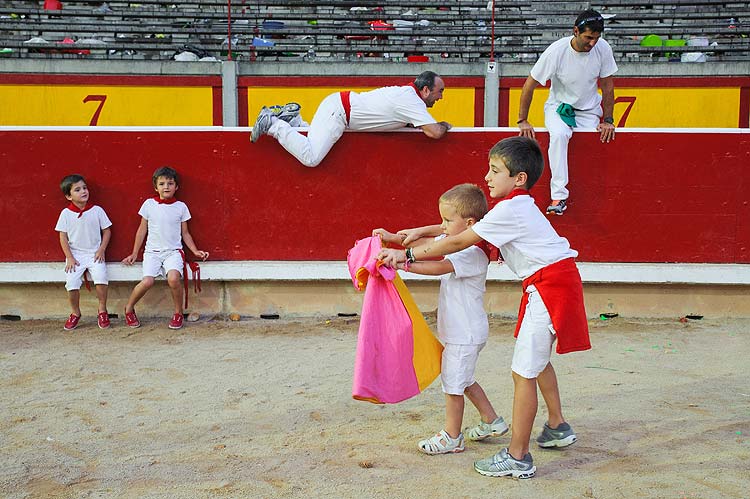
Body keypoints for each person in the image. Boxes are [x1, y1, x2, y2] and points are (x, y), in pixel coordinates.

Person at [378, 136, 590, 479]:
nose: (487, 177)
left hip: (548, 286)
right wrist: (418, 232)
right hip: (553, 283)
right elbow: (466, 223)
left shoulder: (511, 209)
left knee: (523, 372)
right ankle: (556, 425)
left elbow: (461, 237)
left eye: (495, 171)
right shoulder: (515, 207)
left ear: (518, 178)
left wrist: (406, 255)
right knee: (536, 363)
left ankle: (518, 456)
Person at [373, 184, 508, 455]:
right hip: (463, 330)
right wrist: (392, 238)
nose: (442, 226)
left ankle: (452, 436)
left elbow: (437, 266)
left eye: (447, 220)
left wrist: (402, 264)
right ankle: (492, 421)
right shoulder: (463, 244)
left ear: (469, 223)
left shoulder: (471, 252)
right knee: (464, 379)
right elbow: (428, 244)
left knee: (453, 383)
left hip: (464, 333)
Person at [517, 9, 617, 215]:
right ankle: (559, 196)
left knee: (591, 143)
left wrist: (608, 119)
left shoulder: (603, 48)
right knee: (560, 135)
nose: (592, 43)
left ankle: (591, 198)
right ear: (575, 31)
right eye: (589, 37)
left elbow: (607, 85)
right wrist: (522, 120)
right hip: (559, 107)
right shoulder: (556, 51)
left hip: (589, 110)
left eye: (596, 38)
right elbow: (529, 84)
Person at [250, 71, 452, 167]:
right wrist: (444, 125)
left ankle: (294, 122)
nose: (441, 97)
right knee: (311, 158)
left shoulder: (407, 96)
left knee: (315, 142)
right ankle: (272, 123)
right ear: (425, 90)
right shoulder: (412, 101)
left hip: (339, 108)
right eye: (439, 91)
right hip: (339, 113)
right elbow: (434, 132)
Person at [122, 166, 209, 330]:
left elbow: (186, 233)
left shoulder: (181, 207)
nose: (166, 187)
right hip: (152, 252)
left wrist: (195, 251)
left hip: (173, 252)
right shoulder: (149, 204)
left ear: (176, 187)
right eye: (162, 184)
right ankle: (128, 308)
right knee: (147, 281)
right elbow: (142, 230)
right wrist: (134, 253)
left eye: (170, 183)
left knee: (174, 278)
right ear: (156, 187)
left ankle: (177, 313)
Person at [55, 174, 112, 331]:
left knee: (101, 278)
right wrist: (70, 258)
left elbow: (107, 231)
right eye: (77, 190)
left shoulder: (97, 210)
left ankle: (102, 310)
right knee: (72, 283)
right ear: (68, 196)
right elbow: (63, 237)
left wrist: (101, 249)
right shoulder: (65, 214)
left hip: (95, 253)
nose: (83, 192)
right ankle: (75, 312)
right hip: (75, 256)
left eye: (85, 188)